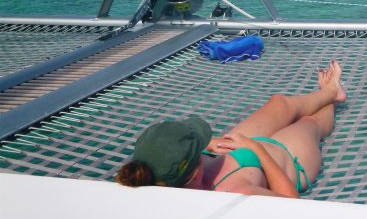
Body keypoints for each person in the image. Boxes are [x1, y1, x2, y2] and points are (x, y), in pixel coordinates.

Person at [116, 60, 347, 198]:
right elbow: (291, 205)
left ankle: (329, 92)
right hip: (285, 162)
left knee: (279, 103)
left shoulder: (160, 167)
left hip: (238, 147)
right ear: (193, 172)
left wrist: (207, 143)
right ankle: (333, 98)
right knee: (309, 123)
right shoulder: (235, 193)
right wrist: (257, 149)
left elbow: (171, 156)